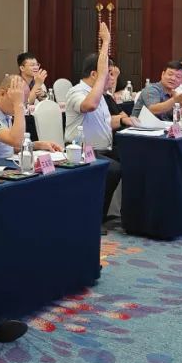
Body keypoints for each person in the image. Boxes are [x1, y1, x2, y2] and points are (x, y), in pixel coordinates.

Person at [64, 24, 125, 223]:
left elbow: (105, 123)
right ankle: (95, 218)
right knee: (112, 169)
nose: (112, 79)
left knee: (135, 158)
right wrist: (105, 43)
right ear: (94, 75)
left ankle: (123, 214)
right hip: (81, 150)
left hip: (103, 148)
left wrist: (125, 120)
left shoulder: (101, 94)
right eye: (109, 74)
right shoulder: (77, 92)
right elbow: (89, 106)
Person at [0, 75, 62, 166]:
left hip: (2, 166)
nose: (23, 106)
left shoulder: (3, 111)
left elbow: (9, 147)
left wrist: (37, 145)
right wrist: (18, 104)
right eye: (18, 100)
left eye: (24, 102)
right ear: (2, 94)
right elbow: (16, 141)